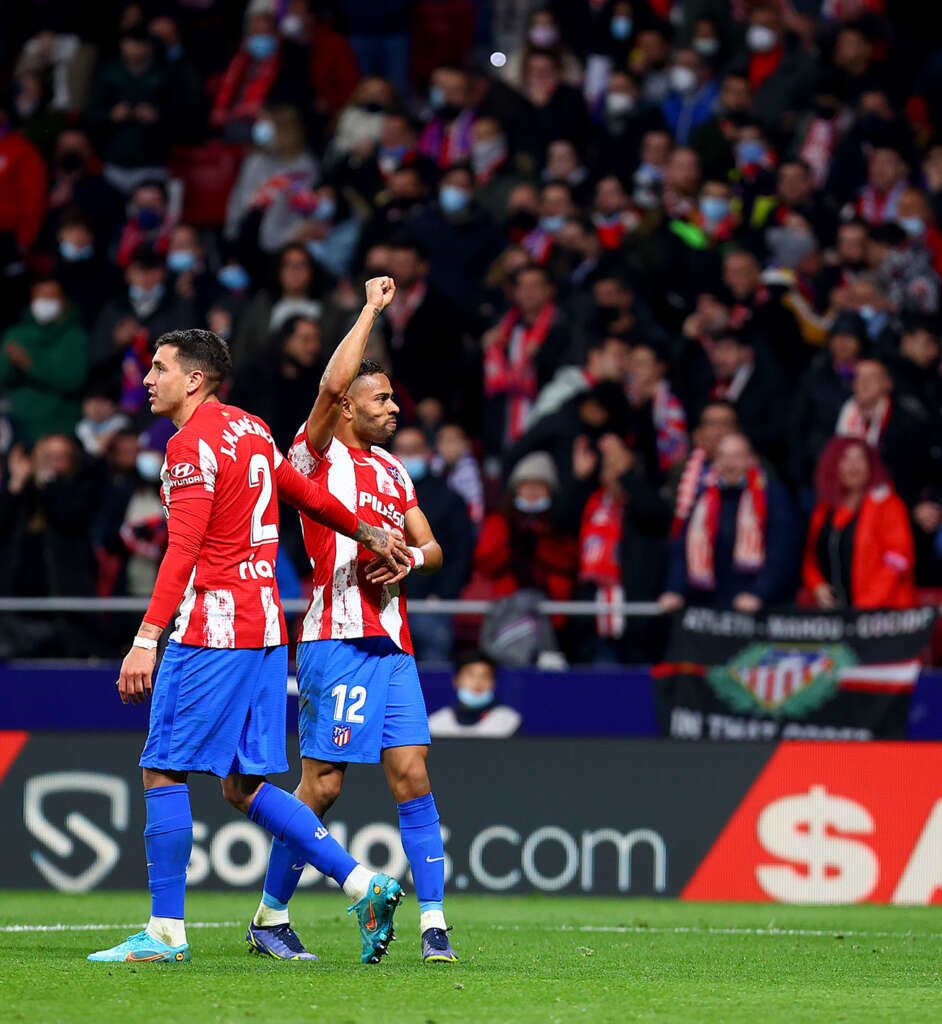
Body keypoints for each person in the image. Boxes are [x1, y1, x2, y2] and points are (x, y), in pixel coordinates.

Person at [87, 308, 413, 967]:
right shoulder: (251, 428)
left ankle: (165, 933)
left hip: (212, 627)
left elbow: (181, 552)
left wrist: (147, 638)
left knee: (161, 766)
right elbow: (303, 493)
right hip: (266, 630)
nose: (148, 378)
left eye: (159, 368)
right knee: (242, 785)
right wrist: (368, 530)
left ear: (196, 378)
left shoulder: (190, 445)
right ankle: (362, 882)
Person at [247, 278, 459, 965]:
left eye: (393, 397)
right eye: (382, 398)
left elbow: (432, 546)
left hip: (391, 645)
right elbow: (332, 382)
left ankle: (434, 925)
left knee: (413, 775)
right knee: (325, 785)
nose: (395, 407)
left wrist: (413, 562)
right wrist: (371, 309)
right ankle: (270, 918)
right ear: (347, 408)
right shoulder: (315, 457)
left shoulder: (396, 471)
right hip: (334, 639)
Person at [659, 432, 796, 612]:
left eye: (737, 456)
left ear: (751, 460)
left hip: (759, 605)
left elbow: (781, 551)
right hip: (711, 604)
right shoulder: (702, 497)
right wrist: (674, 590)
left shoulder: (771, 495)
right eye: (723, 456)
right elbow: (683, 550)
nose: (729, 463)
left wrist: (759, 592)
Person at [802, 437, 916, 609]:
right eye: (845, 458)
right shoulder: (825, 508)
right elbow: (811, 555)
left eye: (860, 458)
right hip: (836, 616)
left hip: (883, 616)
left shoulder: (887, 504)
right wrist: (817, 585)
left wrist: (865, 606)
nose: (853, 466)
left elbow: (897, 561)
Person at [391, 427, 474, 662]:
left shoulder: (449, 497)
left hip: (432, 607)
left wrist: (443, 594)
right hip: (386, 604)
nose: (408, 456)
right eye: (402, 450)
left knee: (433, 676)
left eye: (414, 450)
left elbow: (462, 552)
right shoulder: (378, 491)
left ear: (427, 453)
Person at [0, 278, 88, 443]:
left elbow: (72, 378)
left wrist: (30, 364)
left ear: (63, 301)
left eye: (52, 296)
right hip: (18, 419)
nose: (46, 302)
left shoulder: (74, 336)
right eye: (41, 296)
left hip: (60, 420)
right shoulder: (16, 334)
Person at [427, 651, 522, 738]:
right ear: (456, 681)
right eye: (471, 675)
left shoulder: (509, 722)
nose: (478, 682)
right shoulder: (435, 725)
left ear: (494, 683)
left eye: (485, 676)